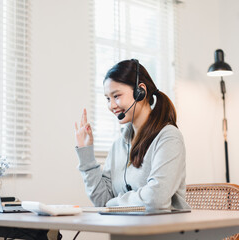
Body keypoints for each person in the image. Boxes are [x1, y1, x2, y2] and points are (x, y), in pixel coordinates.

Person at [74, 59, 189, 210]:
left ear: (140, 91)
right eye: (108, 99)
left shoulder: (168, 137)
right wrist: (86, 153)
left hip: (164, 231)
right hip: (126, 230)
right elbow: (102, 200)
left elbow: (156, 198)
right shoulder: (118, 146)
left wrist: (114, 203)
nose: (111, 106)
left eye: (116, 96)